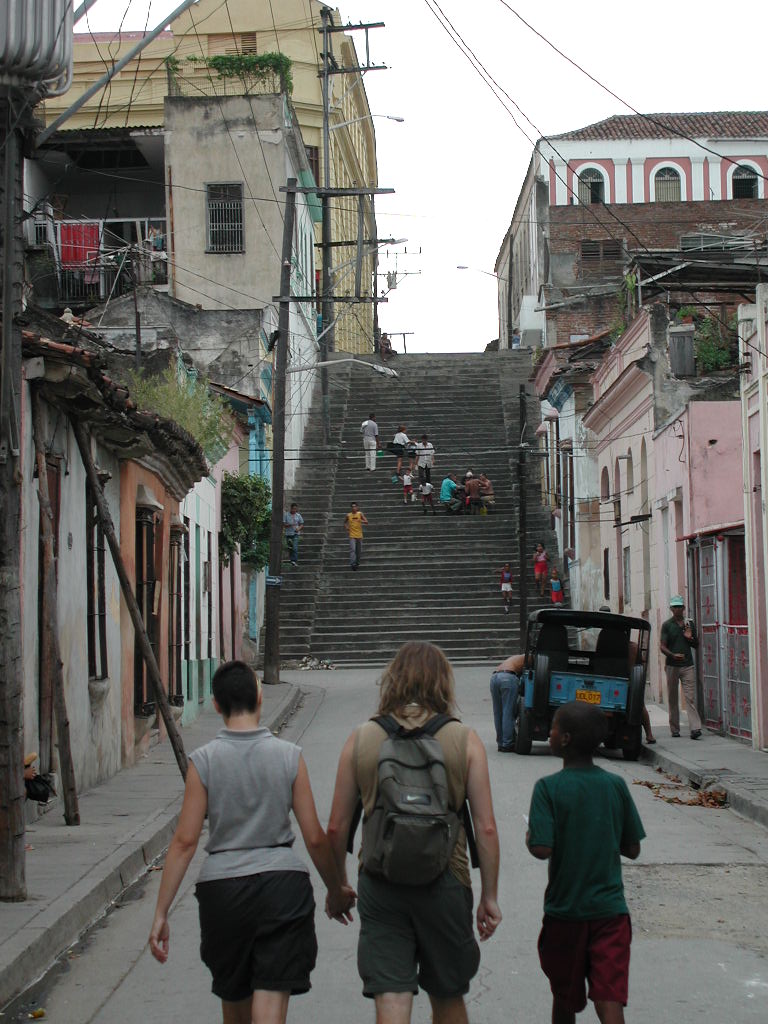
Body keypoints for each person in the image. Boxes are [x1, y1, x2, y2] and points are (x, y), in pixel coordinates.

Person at [148, 661, 355, 1023]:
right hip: (282, 888)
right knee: (270, 1004)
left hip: (222, 892)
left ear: (216, 704)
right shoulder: (289, 756)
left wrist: (161, 913)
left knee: (235, 1001)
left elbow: (184, 842)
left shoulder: (203, 762)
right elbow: (314, 838)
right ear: (260, 698)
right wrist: (335, 889)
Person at [326, 642, 502, 1024]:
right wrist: (489, 896)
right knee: (447, 994)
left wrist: (337, 886)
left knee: (391, 996)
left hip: (381, 881)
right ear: (443, 682)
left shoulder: (362, 738)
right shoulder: (464, 739)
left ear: (393, 679)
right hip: (447, 880)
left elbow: (336, 827)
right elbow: (486, 828)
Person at [527, 701, 645, 1024]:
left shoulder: (548, 788)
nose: (549, 733)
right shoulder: (615, 785)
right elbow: (632, 848)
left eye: (553, 728)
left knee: (564, 998)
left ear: (565, 739)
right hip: (611, 913)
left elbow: (541, 848)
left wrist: (530, 836)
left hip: (566, 913)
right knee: (609, 999)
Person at [660, 595, 702, 739]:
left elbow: (696, 645)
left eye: (679, 607)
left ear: (683, 608)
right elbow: (662, 646)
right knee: (672, 698)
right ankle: (675, 729)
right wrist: (672, 655)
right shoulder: (667, 625)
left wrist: (689, 637)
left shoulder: (689, 624)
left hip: (687, 665)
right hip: (672, 666)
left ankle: (695, 728)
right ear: (671, 609)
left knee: (690, 698)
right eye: (675, 607)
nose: (677, 609)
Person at [490, 653, 525, 751]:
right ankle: (507, 743)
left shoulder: (517, 658)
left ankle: (500, 742)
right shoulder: (530, 657)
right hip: (508, 677)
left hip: (495, 677)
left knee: (498, 713)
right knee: (508, 711)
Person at [345, 502, 369, 571]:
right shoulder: (348, 515)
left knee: (358, 551)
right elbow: (345, 522)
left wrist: (361, 521)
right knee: (352, 549)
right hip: (352, 535)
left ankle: (357, 562)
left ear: (357, 507)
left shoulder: (360, 514)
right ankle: (353, 563)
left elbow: (366, 522)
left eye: (355, 506)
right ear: (351, 508)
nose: (354, 508)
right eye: (352, 506)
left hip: (359, 535)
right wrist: (346, 527)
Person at [282, 502, 304, 567]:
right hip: (288, 533)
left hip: (295, 533)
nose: (294, 510)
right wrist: (290, 525)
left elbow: (301, 524)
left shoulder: (298, 515)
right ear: (291, 508)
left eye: (295, 509)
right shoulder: (286, 515)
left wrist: (298, 528)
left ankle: (294, 560)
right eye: (293, 509)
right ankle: (292, 560)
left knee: (295, 547)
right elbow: (284, 524)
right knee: (290, 547)